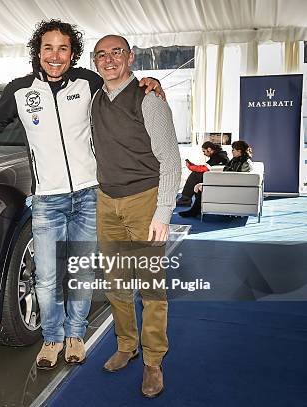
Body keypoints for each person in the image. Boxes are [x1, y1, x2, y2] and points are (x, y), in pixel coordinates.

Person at [0, 20, 163, 369]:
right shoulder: (20, 90)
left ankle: (75, 335)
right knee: (47, 275)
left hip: (88, 194)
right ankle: (52, 338)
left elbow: (119, 81)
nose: (55, 55)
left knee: (80, 272)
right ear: (38, 52)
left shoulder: (88, 82)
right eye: (48, 48)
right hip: (48, 199)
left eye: (63, 48)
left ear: (72, 54)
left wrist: (147, 81)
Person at [90, 35, 181, 398]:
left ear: (130, 57)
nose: (109, 59)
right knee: (115, 284)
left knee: (151, 288)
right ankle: (126, 345)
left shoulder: (149, 98)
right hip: (106, 200)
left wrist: (163, 212)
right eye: (101, 55)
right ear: (94, 62)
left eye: (116, 52)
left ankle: (154, 360)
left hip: (145, 202)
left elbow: (171, 161)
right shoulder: (95, 98)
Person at [179, 140, 253, 218]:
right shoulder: (237, 160)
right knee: (197, 177)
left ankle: (188, 203)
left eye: (233, 150)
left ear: (239, 151)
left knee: (195, 176)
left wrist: (190, 167)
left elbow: (234, 177)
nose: (232, 152)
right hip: (225, 180)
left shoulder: (238, 161)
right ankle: (190, 205)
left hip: (227, 184)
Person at [176, 141, 229, 206]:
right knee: (196, 173)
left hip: (217, 179)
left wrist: (190, 167)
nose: (204, 154)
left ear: (209, 149)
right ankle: (185, 199)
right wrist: (193, 165)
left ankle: (185, 199)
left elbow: (204, 169)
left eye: (204, 151)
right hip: (217, 177)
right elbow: (206, 167)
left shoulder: (218, 157)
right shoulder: (219, 155)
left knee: (195, 175)